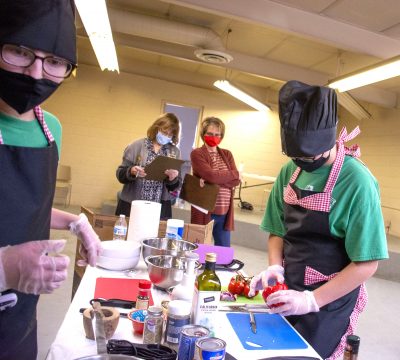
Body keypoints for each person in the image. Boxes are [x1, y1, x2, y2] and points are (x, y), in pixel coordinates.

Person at [249, 80, 388, 359]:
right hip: (290, 288)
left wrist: (312, 300)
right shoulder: (290, 170)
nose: (301, 161)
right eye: (294, 155)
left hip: (330, 302)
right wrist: (276, 268)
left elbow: (366, 264)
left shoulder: (356, 182)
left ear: (328, 141)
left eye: (307, 154)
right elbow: (277, 230)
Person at [0, 2, 102, 359]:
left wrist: (75, 222)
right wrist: (4, 267)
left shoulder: (50, 129)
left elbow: (23, 206)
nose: (35, 73)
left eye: (55, 61)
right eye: (19, 51)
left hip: (19, 316)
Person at [116, 113, 181, 220]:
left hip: (159, 209)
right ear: (156, 128)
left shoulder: (174, 152)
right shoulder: (137, 146)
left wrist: (173, 179)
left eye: (170, 135)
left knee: (155, 236)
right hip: (133, 205)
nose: (166, 136)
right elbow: (120, 174)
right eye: (164, 132)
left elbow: (177, 186)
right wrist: (131, 171)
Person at [190, 117, 240, 247]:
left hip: (224, 212)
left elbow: (236, 181)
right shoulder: (197, 154)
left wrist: (213, 180)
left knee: (223, 253)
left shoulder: (227, 154)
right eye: (210, 134)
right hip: (205, 211)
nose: (214, 137)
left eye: (217, 134)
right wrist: (231, 175)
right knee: (199, 250)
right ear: (203, 134)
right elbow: (211, 176)